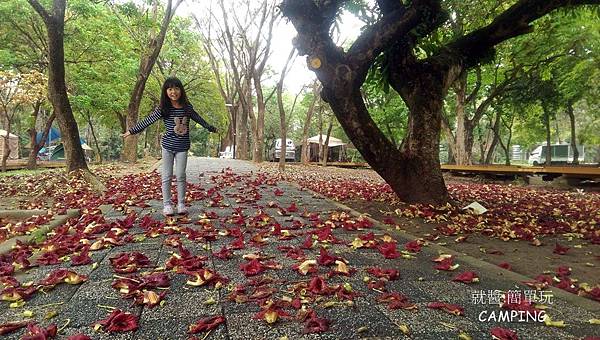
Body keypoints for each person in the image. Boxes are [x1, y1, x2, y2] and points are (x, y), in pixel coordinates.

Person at [122, 77, 217, 216]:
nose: (173, 92)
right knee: (166, 176)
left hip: (182, 146)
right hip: (167, 146)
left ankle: (181, 204)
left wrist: (210, 127)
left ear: (181, 90)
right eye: (170, 89)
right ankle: (167, 205)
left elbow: (198, 118)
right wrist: (132, 131)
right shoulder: (163, 108)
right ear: (166, 91)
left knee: (180, 175)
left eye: (176, 88)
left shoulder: (187, 107)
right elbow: (148, 120)